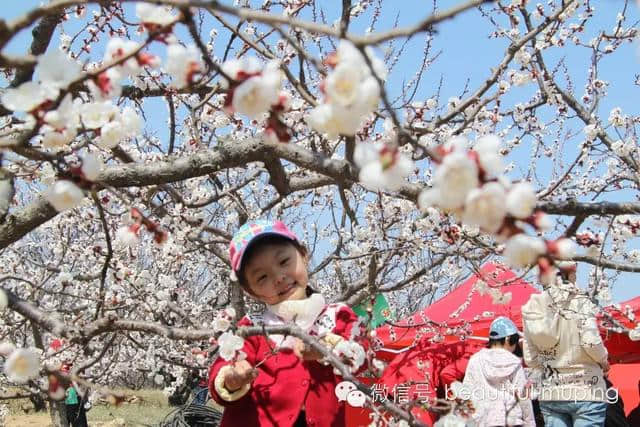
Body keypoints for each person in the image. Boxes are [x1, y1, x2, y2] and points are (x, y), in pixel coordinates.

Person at [208, 220, 366, 427]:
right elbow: (224, 365)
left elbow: (364, 358)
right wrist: (231, 378)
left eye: (284, 262)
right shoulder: (253, 328)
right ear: (252, 291)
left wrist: (328, 349)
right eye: (262, 277)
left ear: (304, 255)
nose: (279, 278)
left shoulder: (339, 317)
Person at [522, 262, 609, 427]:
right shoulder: (581, 302)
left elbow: (530, 358)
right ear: (571, 275)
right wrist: (603, 360)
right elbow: (591, 342)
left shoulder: (531, 308)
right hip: (586, 389)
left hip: (551, 391)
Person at [461, 316, 535, 427]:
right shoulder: (513, 362)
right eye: (514, 341)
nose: (514, 347)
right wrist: (530, 423)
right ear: (507, 339)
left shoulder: (475, 360)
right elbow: (523, 396)